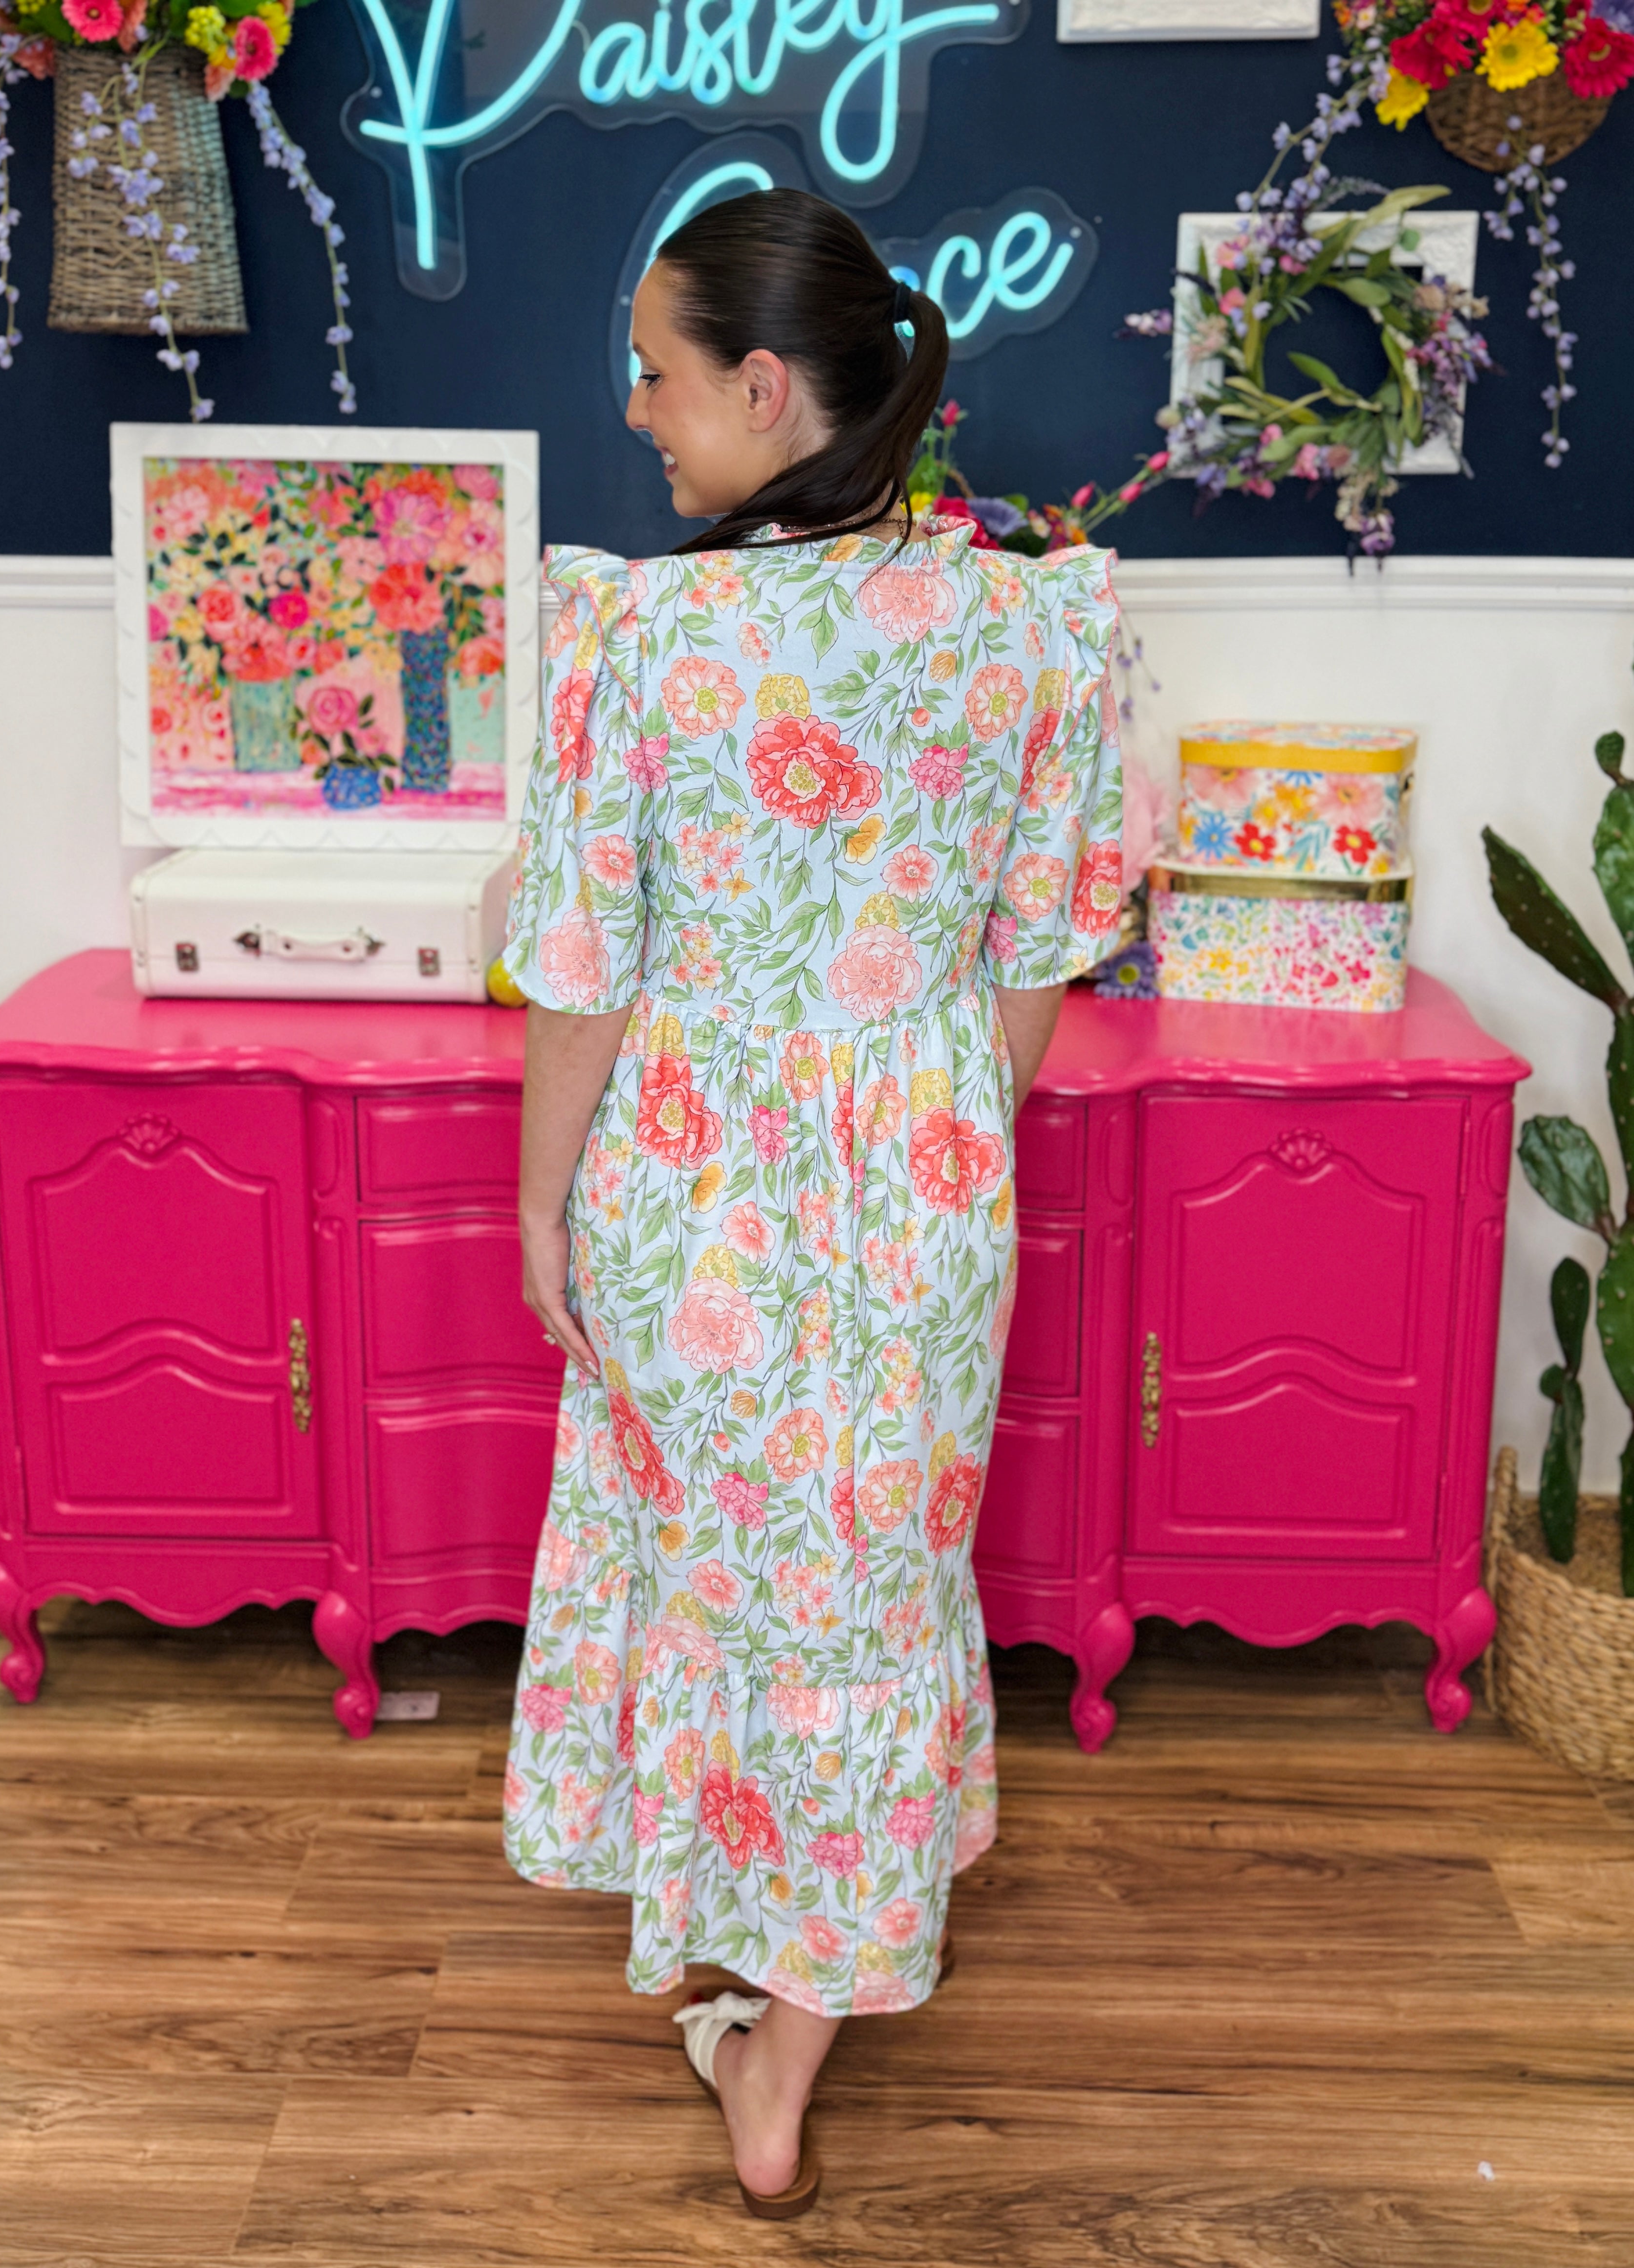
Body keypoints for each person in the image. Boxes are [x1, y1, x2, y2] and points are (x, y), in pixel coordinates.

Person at [499, 187, 1124, 2218]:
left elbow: (583, 972)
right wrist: (941, 1141)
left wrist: (541, 1204)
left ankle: (750, 2025)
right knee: (870, 1591)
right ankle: (789, 2034)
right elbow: (1038, 953)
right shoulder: (1038, 624)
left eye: (658, 376)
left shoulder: (643, 636)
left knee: (714, 1580)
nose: (638, 412)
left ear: (766, 388)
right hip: (931, 1183)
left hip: (690, 1179)